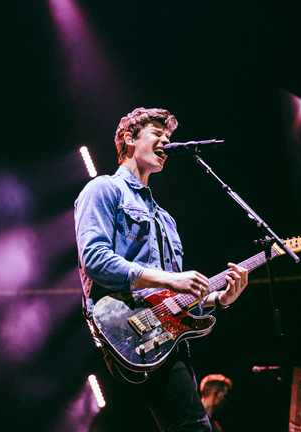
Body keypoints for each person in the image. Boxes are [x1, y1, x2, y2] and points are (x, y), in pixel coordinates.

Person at [74, 107, 249, 432]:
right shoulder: (103, 190)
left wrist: (219, 300)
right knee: (196, 427)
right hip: (127, 327)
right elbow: (95, 259)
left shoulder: (167, 220)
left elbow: (175, 300)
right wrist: (170, 278)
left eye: (169, 138)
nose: (167, 143)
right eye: (157, 135)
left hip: (167, 336)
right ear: (129, 138)